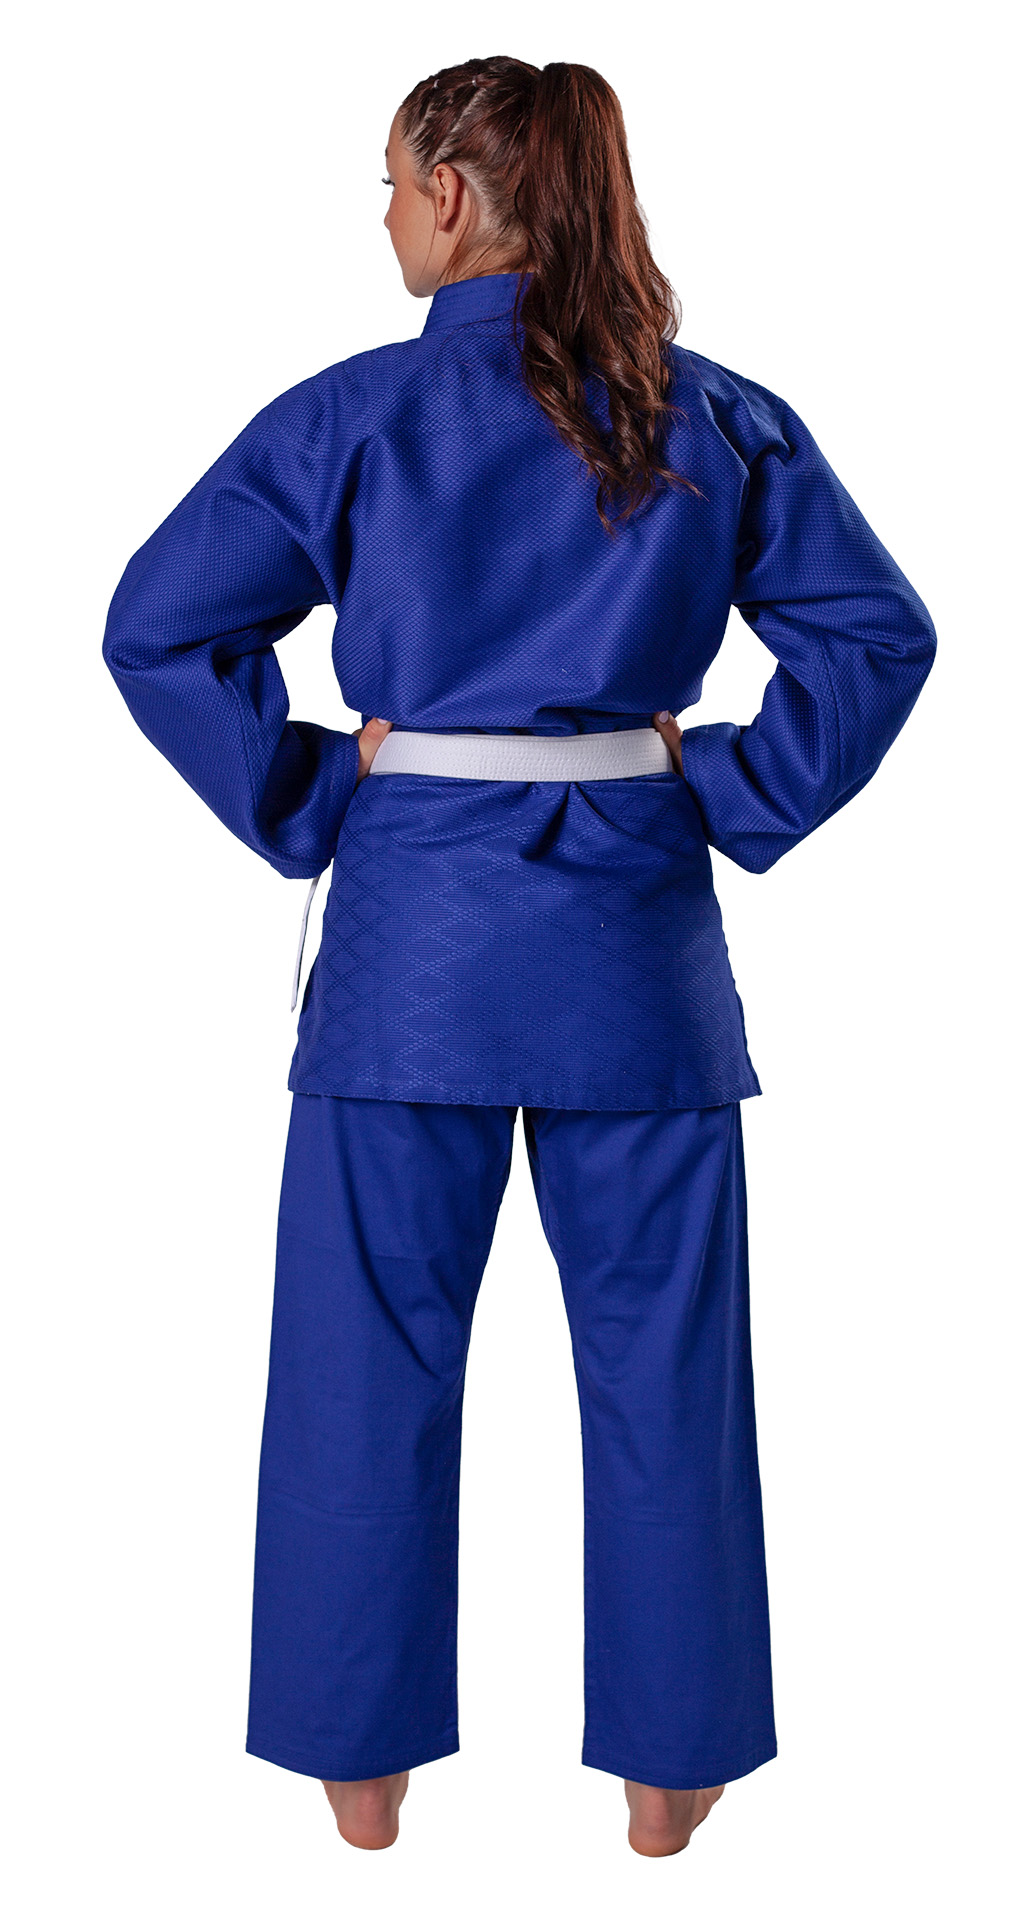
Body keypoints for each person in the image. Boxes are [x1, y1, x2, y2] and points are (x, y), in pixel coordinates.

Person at [101, 56, 937, 1857]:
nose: (385, 218)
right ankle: (671, 1784)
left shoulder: (350, 418)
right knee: (667, 1374)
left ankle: (361, 1779)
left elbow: (158, 629)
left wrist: (316, 787)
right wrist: (728, 785)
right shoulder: (714, 416)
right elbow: (877, 640)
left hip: (411, 955)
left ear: (455, 195)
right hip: (637, 955)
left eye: (389, 184)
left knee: (363, 1370)